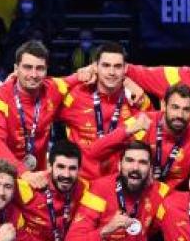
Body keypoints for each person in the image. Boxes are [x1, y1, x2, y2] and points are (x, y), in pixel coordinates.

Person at [0, 41, 72, 188]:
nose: (33, 74)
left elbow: (77, 79)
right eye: (27, 67)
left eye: (40, 68)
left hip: (35, 178)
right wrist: (23, 172)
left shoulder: (52, 87)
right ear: (16, 69)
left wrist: (89, 70)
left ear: (46, 71)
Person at [59, 42, 150, 181]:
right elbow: (46, 96)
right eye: (106, 65)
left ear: (126, 69)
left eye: (117, 66)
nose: (112, 72)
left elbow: (152, 138)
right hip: (81, 186)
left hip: (120, 187)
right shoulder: (75, 96)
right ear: (95, 67)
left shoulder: (137, 99)